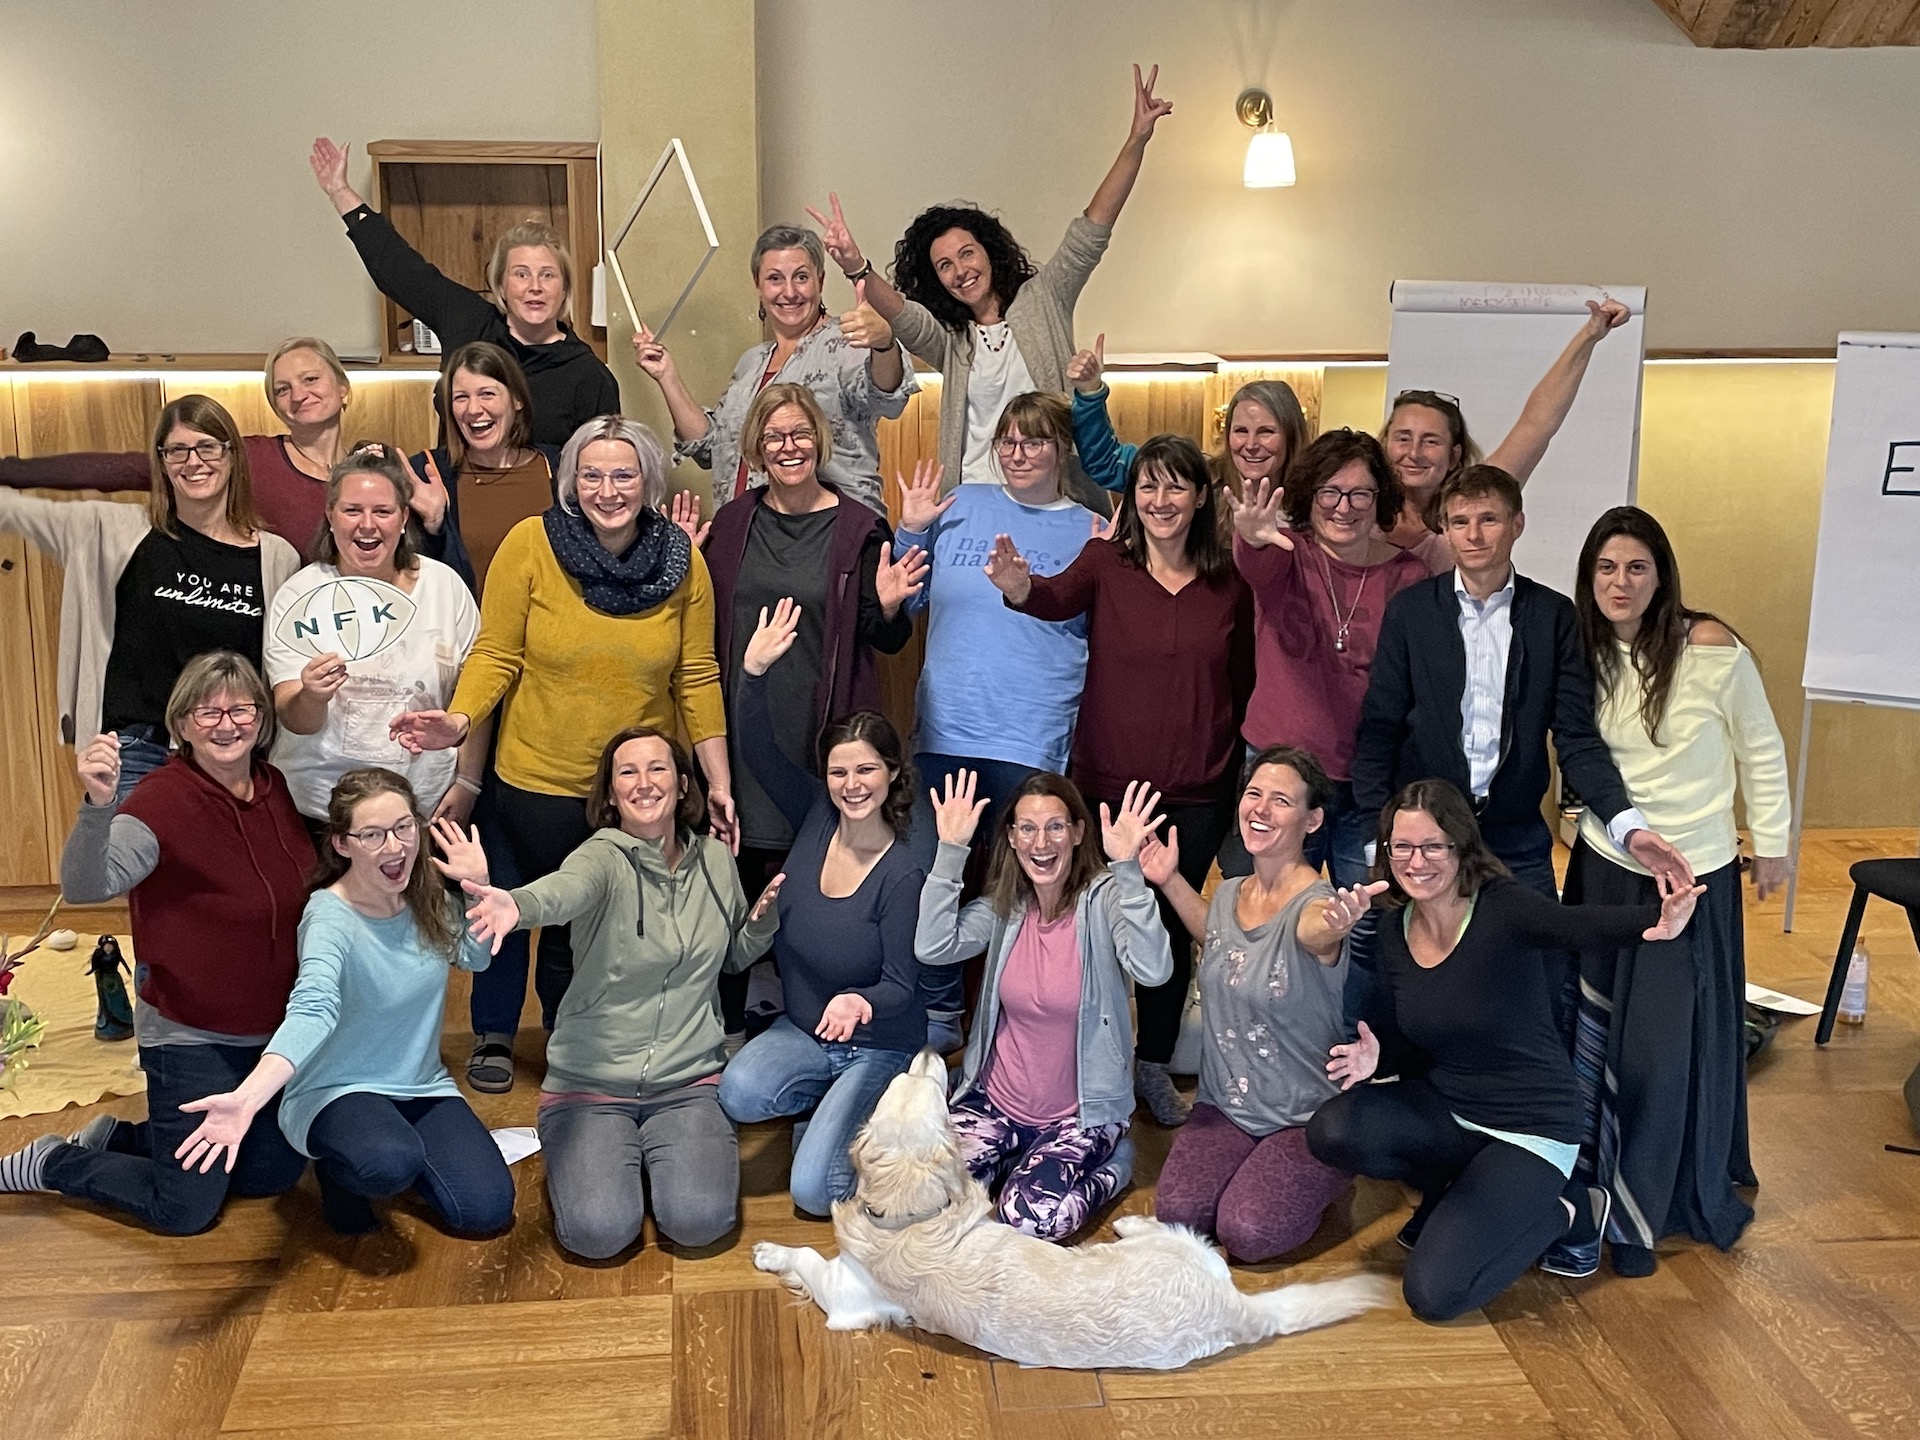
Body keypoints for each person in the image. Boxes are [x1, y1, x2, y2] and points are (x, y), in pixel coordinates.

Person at [389, 416, 730, 1091]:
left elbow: (697, 675)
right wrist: (460, 722)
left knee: (585, 928)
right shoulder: (531, 544)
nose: (608, 489)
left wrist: (715, 780)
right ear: (572, 480)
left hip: (626, 798)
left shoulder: (683, 560)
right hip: (531, 779)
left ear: (649, 481)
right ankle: (492, 1034)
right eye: (593, 474)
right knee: (508, 912)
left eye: (624, 474)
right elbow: (497, 653)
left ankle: (560, 1036)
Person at [1306, 781, 1702, 1320]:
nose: (1415, 861)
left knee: (1434, 1296)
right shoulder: (1395, 930)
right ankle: (1456, 1194)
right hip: (1451, 1111)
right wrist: (1379, 1060)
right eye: (1402, 847)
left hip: (1530, 1128)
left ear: (1460, 848)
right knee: (1333, 1129)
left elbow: (1575, 926)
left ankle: (1570, 1211)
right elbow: (1407, 1033)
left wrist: (1658, 922)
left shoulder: (1502, 909)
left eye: (1432, 847)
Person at [987, 433, 1253, 1127]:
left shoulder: (1231, 582)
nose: (1160, 500)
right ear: (1131, 496)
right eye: (1148, 486)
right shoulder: (1106, 561)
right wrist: (1018, 587)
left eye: (1175, 486)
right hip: (1104, 788)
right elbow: (1049, 598)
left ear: (1200, 497)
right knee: (1092, 929)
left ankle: (1153, 1065)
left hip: (1197, 791)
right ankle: (1086, 1064)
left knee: (1166, 933)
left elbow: (1245, 681)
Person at [0, 653, 314, 1227]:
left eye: (241, 708)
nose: (226, 724)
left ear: (261, 718)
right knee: (185, 1210)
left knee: (271, 1175)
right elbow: (86, 884)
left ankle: (123, 1136)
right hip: (190, 1033)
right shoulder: (159, 801)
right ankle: (55, 1162)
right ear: (181, 723)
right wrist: (97, 807)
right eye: (207, 711)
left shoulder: (275, 787)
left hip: (271, 1034)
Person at [1566, 506, 1790, 1276]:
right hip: (1606, 864)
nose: (1619, 582)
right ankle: (1589, 1187)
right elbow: (1581, 754)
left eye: (1635, 567)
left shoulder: (1711, 647)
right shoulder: (1585, 649)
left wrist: (1774, 843)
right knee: (1593, 1038)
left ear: (1661, 575)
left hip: (1690, 875)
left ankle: (1650, 1205)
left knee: (1661, 1047)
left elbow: (1760, 747)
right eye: (1605, 568)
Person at [462, 727, 782, 1255]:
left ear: (683, 785)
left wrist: (761, 924)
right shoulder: (601, 858)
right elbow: (563, 891)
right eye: (626, 773)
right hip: (591, 1087)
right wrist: (515, 906)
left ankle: (654, 1162)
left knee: (699, 1222)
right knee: (599, 1234)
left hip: (687, 1083)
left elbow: (732, 958)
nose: (643, 783)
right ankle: (606, 1156)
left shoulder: (716, 861)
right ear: (610, 795)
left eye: (657, 768)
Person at [804, 65, 1172, 507]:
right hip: (974, 498)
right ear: (936, 280)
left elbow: (1093, 227)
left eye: (967, 253)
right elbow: (903, 314)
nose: (960, 270)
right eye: (944, 266)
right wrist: (855, 265)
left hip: (1056, 497)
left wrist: (1136, 140)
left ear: (988, 252)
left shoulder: (1044, 299)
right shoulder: (952, 341)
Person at [170, 768, 512, 1236]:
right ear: (342, 844)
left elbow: (476, 959)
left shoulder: (425, 893)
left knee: (487, 1213)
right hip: (335, 1090)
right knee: (389, 1161)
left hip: (419, 1085)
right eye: (371, 835)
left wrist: (478, 886)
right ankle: (342, 1170)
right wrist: (248, 1098)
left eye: (403, 828)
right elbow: (313, 1007)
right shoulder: (329, 915)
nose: (394, 848)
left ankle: (392, 1150)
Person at [1352, 464, 1692, 901]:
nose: (1474, 535)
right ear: (1446, 531)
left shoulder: (1553, 617)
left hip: (1517, 838)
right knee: (1422, 963)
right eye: (1460, 522)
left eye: (1488, 519)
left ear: (1517, 524)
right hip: (1425, 834)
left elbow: (1575, 737)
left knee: (1542, 966)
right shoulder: (1411, 613)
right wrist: (1374, 838)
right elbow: (1380, 730)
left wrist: (1627, 825)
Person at [699, 383, 923, 1041]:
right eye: (774, 437)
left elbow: (886, 642)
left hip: (822, 747)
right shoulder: (734, 524)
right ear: (756, 449)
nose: (788, 447)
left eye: (799, 434)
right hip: (745, 736)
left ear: (819, 441)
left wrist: (886, 609)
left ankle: (816, 1022)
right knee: (735, 888)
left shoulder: (857, 530)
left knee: (813, 888)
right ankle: (729, 1026)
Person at [716, 598, 929, 1218]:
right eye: (839, 771)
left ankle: (882, 1097)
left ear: (891, 773)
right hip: (804, 1030)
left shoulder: (903, 869)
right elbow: (756, 749)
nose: (851, 784)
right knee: (740, 1093)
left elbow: (900, 984)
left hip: (879, 1042)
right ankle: (830, 1104)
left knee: (813, 1194)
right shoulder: (815, 813)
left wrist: (861, 1000)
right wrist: (751, 676)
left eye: (866, 769)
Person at [1144, 747, 1381, 1261]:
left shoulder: (1318, 906)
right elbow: (1216, 934)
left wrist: (1338, 925)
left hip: (1303, 1117)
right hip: (1224, 1107)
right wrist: (1169, 880)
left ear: (1312, 819)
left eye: (1281, 800)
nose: (1260, 809)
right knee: (1179, 1218)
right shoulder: (1230, 894)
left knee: (1248, 1232)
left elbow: (1316, 932)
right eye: (1254, 794)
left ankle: (1335, 1172)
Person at [0, 395, 301, 797]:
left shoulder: (277, 558)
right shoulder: (117, 531)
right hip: (136, 752)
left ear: (231, 456)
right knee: (125, 860)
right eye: (178, 450)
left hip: (230, 754)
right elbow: (17, 511)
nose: (194, 462)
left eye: (208, 447)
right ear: (162, 461)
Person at [916, 769, 1172, 1239]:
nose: (1042, 841)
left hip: (1080, 1114)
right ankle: (1012, 1161)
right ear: (1012, 838)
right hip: (995, 1103)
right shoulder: (1006, 906)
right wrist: (950, 852)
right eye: (1027, 828)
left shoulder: (1106, 899)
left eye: (1055, 826)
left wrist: (1129, 872)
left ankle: (1114, 1166)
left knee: (1030, 1220)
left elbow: (1155, 970)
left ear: (1077, 833)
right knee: (926, 1206)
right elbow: (933, 947)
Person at [0, 338, 441, 563]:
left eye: (311, 380)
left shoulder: (377, 468)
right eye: (282, 388)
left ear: (343, 389)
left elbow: (415, 563)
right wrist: (11, 471)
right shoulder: (248, 458)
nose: (298, 394)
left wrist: (435, 520)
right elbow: (129, 469)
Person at [893, 393, 1098, 871]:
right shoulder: (959, 503)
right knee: (931, 881)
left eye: (1034, 442)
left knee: (1019, 891)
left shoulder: (1092, 530)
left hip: (1032, 741)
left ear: (1064, 447)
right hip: (943, 735)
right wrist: (910, 529)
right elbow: (906, 599)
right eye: (1007, 442)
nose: (1017, 454)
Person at [1219, 429, 1429, 888]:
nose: (1344, 506)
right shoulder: (1287, 551)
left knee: (1364, 916)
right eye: (1330, 492)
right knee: (1267, 906)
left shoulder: (1409, 574)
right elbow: (1255, 562)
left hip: (1367, 780)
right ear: (1309, 495)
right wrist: (1251, 539)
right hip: (1280, 771)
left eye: (1360, 493)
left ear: (1380, 499)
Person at [310, 138, 618, 445]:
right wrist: (340, 192)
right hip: (453, 487)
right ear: (501, 286)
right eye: (521, 274)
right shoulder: (468, 320)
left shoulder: (588, 375)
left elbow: (602, 467)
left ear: (564, 289)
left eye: (547, 275)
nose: (534, 287)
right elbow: (399, 269)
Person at [631, 222, 915, 515]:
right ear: (758, 285)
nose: (789, 292)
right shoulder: (752, 362)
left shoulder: (847, 341)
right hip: (748, 536)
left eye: (801, 277)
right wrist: (667, 376)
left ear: (820, 279)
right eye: (775, 278)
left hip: (833, 533)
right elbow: (711, 448)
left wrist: (883, 344)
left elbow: (886, 396)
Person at [264, 444, 480, 825]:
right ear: (330, 516)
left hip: (421, 809)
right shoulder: (300, 595)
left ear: (403, 518)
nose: (368, 525)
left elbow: (477, 695)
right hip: (318, 810)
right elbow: (293, 716)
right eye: (352, 510)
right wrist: (311, 695)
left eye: (382, 511)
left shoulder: (444, 587)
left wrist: (468, 782)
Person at [1381, 298, 1631, 573]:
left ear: (1454, 454)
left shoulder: (1479, 496)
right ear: (1385, 443)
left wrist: (1589, 336)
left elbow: (1537, 423)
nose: (1414, 453)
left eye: (1431, 441)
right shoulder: (1359, 509)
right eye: (1403, 438)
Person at [1068, 336, 1309, 504]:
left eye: (1266, 431)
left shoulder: (1315, 499)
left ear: (1291, 434)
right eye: (1241, 431)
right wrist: (1090, 394)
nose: (1251, 444)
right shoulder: (1200, 477)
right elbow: (1107, 464)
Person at [410, 340, 563, 595]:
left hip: (547, 630)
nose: (473, 409)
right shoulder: (427, 473)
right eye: (461, 397)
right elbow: (410, 575)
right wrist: (433, 528)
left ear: (517, 400)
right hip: (465, 632)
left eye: (487, 394)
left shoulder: (558, 467)